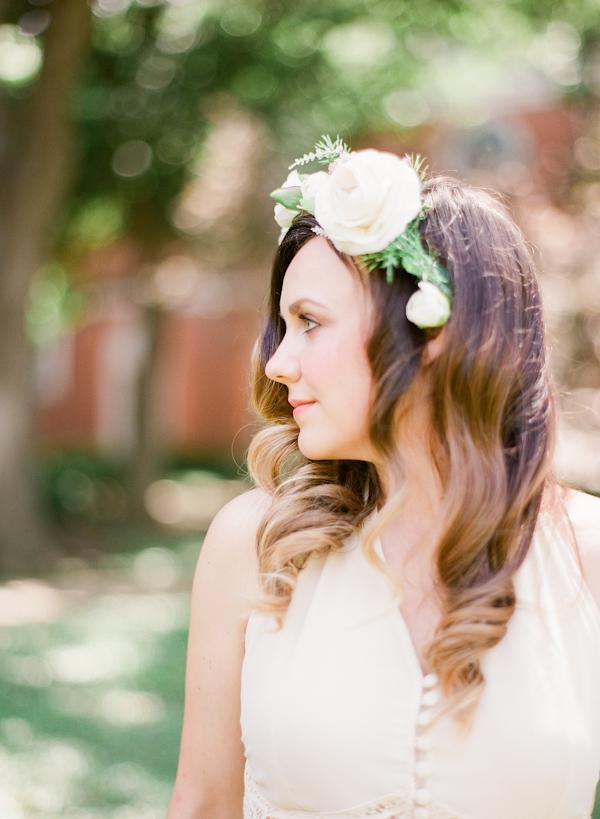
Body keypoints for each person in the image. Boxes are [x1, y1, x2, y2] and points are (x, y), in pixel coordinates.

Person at [167, 138, 600, 819]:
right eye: (282, 326)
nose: (278, 362)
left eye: (310, 321)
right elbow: (205, 803)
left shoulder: (586, 550)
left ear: (432, 332)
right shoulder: (255, 545)